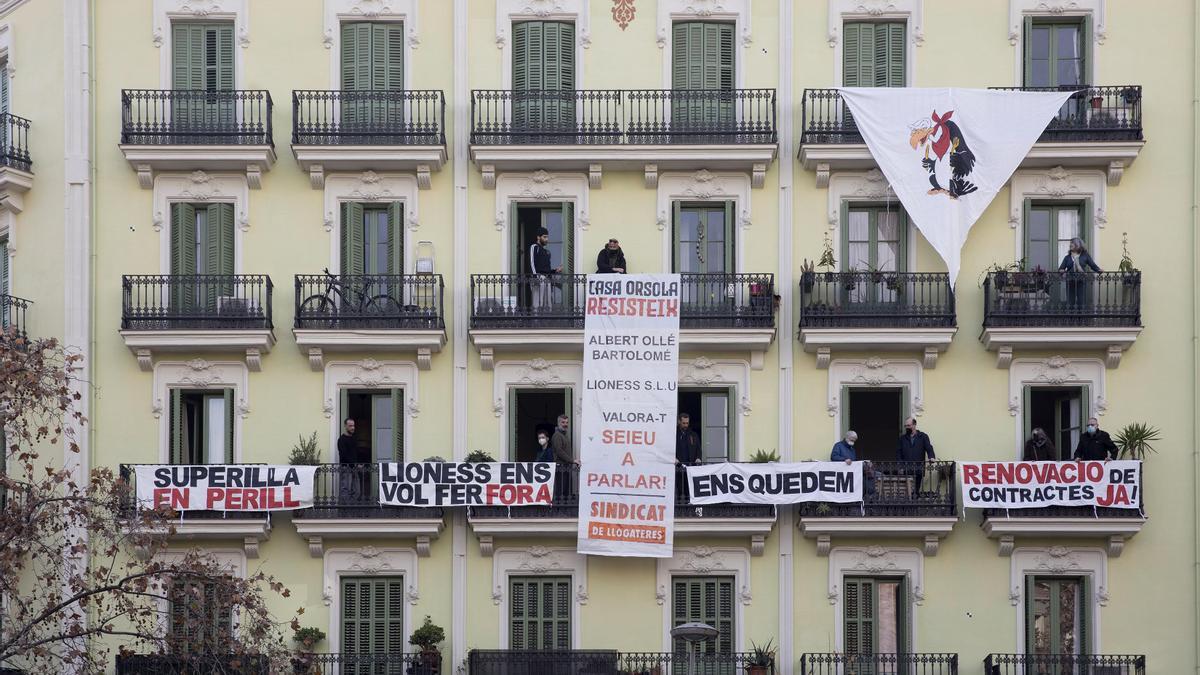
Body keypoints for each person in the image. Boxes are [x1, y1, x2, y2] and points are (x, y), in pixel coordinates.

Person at [1058, 237, 1101, 310]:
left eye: (1072, 243)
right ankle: (1070, 319)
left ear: (1077, 245)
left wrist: (1099, 270)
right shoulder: (1067, 257)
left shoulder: (1085, 256)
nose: (1070, 245)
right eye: (1070, 244)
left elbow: (1092, 265)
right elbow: (1061, 269)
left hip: (1081, 281)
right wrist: (1063, 271)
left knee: (1081, 301)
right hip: (1070, 281)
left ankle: (1081, 320)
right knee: (1070, 302)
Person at [896, 417, 936, 495]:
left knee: (915, 491)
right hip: (906, 468)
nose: (907, 427)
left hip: (918, 468)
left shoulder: (923, 436)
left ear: (914, 425)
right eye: (905, 426)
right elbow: (898, 453)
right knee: (906, 492)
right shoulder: (902, 438)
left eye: (908, 425)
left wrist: (931, 457)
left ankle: (914, 504)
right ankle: (907, 505)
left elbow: (929, 447)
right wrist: (900, 466)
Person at [831, 431, 875, 496]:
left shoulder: (852, 449)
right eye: (852, 440)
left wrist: (865, 462)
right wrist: (844, 459)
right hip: (842, 473)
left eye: (854, 441)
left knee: (869, 476)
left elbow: (854, 461)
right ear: (846, 438)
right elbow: (833, 457)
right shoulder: (838, 445)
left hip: (852, 473)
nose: (853, 442)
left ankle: (868, 495)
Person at [529, 227, 560, 312]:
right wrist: (535, 277)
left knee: (548, 303)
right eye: (544, 237)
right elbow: (532, 262)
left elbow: (546, 268)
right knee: (537, 302)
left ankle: (546, 322)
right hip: (538, 277)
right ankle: (535, 322)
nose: (547, 239)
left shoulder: (546, 252)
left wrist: (555, 271)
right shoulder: (534, 247)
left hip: (547, 278)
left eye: (547, 237)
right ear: (538, 237)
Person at [336, 417, 362, 503]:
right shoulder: (341, 440)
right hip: (346, 468)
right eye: (350, 426)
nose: (353, 428)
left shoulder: (354, 438)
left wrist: (358, 464)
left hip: (354, 468)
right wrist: (355, 464)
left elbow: (356, 453)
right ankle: (345, 511)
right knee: (345, 490)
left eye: (353, 426)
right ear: (345, 426)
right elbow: (344, 455)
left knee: (357, 491)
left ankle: (352, 508)